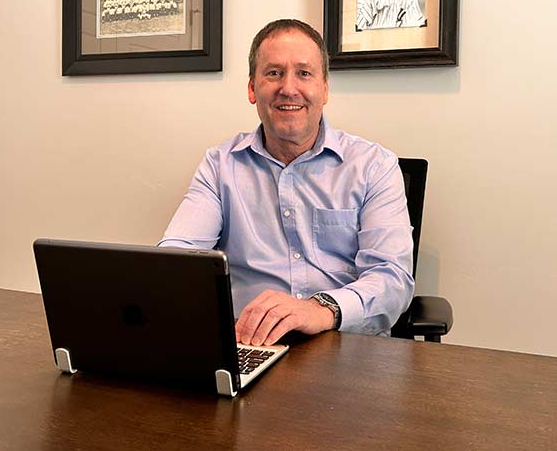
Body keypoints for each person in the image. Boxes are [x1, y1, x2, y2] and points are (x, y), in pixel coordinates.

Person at [159, 19, 414, 346]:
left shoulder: (375, 166)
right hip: (248, 345)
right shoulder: (220, 165)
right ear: (253, 88)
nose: (288, 88)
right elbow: (178, 259)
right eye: (274, 73)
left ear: (325, 88)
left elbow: (393, 281)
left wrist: (319, 310)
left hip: (346, 348)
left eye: (304, 73)